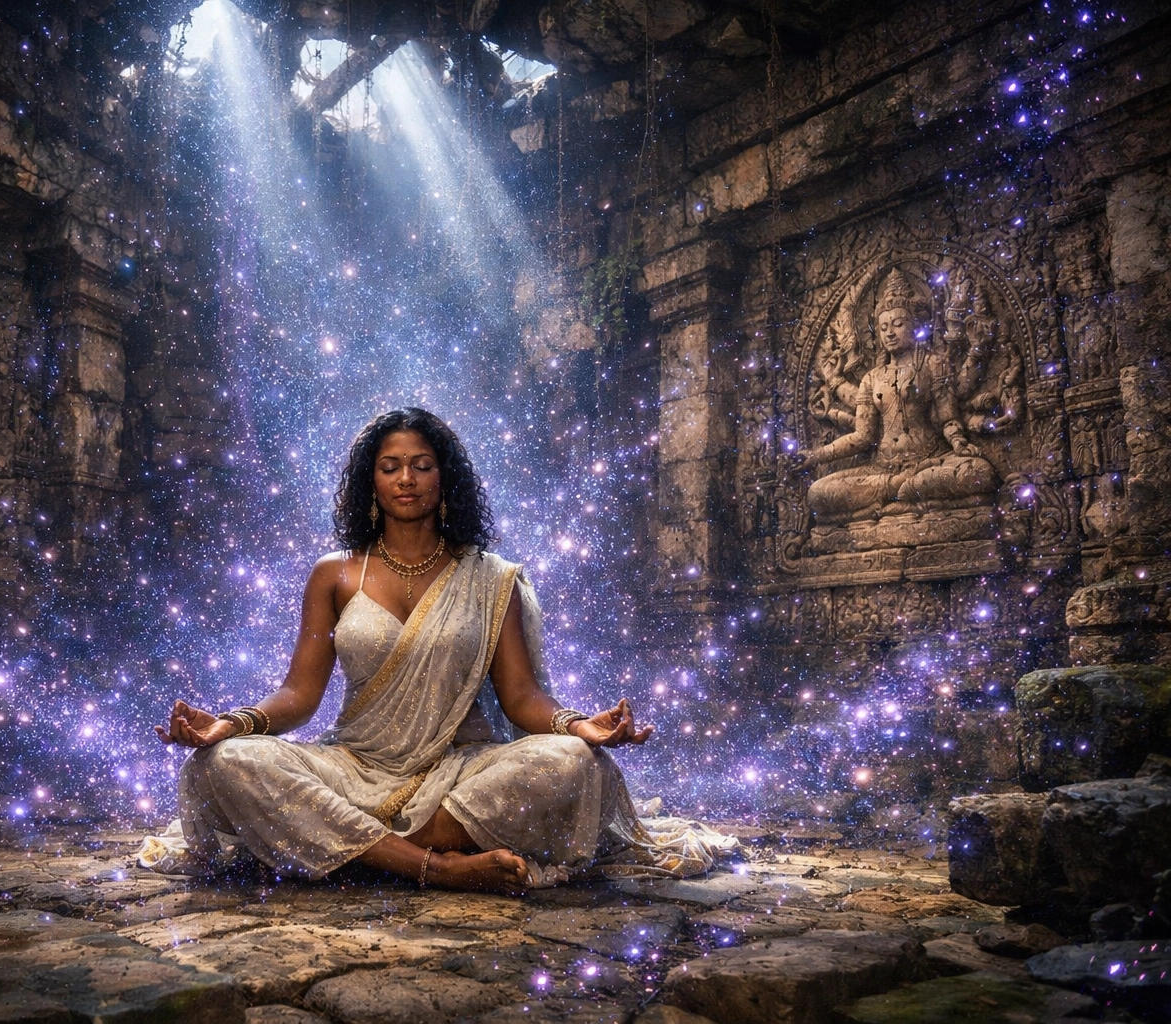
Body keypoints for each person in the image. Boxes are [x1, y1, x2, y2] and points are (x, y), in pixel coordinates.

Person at [151, 408, 729, 894]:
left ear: (444, 479)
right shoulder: (335, 574)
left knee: (573, 763)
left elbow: (522, 697)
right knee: (226, 762)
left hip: (458, 771)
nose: (406, 478)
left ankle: (354, 848)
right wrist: (230, 724)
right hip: (353, 764)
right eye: (391, 466)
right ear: (371, 482)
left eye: (422, 466)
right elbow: (300, 697)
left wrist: (579, 725)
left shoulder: (490, 577)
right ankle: (436, 868)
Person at [791, 269, 997, 525]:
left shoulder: (934, 365)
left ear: (916, 325)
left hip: (929, 462)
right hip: (881, 470)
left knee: (979, 473)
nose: (889, 333)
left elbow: (948, 418)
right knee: (817, 493)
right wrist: (815, 455)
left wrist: (959, 443)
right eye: (883, 327)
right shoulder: (872, 378)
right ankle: (900, 490)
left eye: (898, 324)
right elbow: (862, 437)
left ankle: (898, 496)